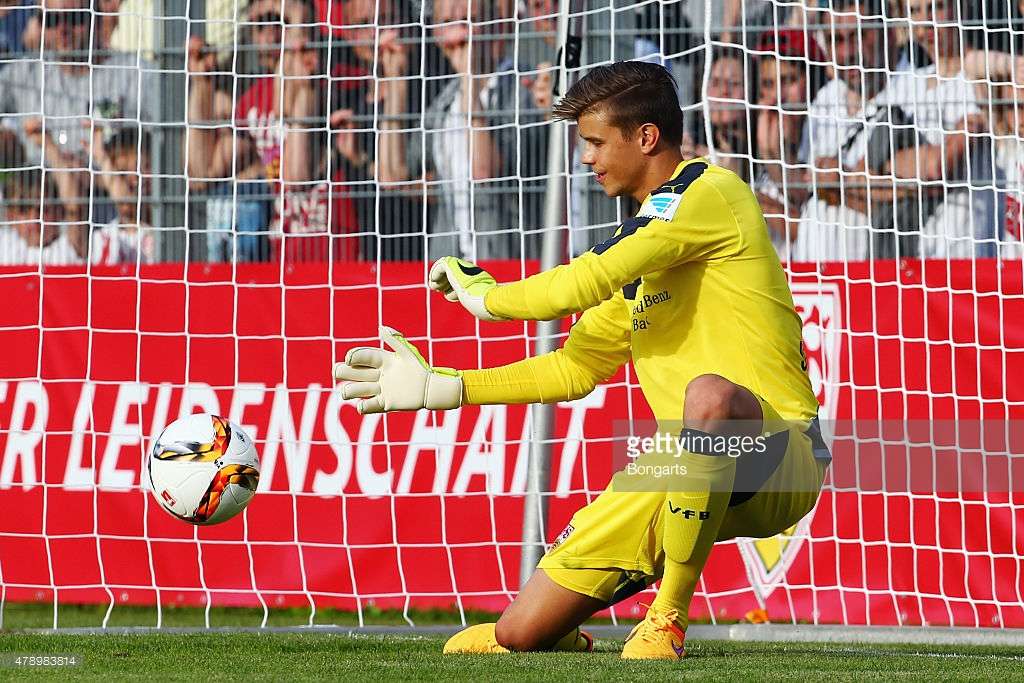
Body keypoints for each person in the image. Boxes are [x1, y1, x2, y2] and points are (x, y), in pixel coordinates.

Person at [333, 61, 829, 659]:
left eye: (595, 142)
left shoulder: (710, 193)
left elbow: (588, 276)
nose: (587, 159)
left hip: (782, 455)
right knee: (520, 634)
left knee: (709, 396)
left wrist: (488, 299)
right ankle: (574, 625)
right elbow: (573, 368)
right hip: (681, 466)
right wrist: (447, 387)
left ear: (645, 137)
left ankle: (667, 616)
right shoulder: (646, 256)